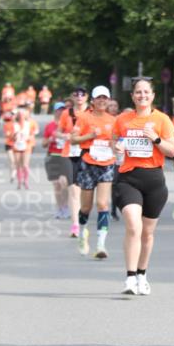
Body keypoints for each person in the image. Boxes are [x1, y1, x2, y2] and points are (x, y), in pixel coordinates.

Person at [112, 78, 174, 294]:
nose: (142, 96)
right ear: (132, 96)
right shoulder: (123, 119)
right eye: (138, 92)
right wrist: (118, 149)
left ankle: (142, 274)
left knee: (147, 233)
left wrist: (156, 139)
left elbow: (173, 151)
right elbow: (115, 143)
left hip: (154, 181)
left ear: (152, 95)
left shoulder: (162, 120)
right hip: (128, 178)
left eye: (145, 92)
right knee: (133, 225)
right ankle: (130, 278)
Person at [70, 85, 117, 258]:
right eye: (99, 98)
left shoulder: (113, 120)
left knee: (103, 204)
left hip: (107, 164)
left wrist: (117, 147)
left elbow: (116, 142)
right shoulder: (83, 118)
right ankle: (83, 233)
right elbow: (73, 139)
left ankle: (101, 245)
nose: (102, 100)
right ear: (93, 101)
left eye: (105, 98)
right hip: (88, 163)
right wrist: (90, 136)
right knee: (86, 207)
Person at [58, 86, 90, 238]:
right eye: (76, 94)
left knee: (86, 191)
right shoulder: (66, 113)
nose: (79, 97)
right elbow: (58, 131)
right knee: (73, 190)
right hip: (69, 153)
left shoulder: (92, 113)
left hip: (87, 153)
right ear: (72, 97)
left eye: (82, 94)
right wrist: (63, 135)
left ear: (87, 97)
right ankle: (75, 224)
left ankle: (83, 216)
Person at [42, 102, 72, 218]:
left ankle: (65, 206)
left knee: (64, 182)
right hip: (53, 156)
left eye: (63, 109)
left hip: (65, 156)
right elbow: (43, 144)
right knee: (56, 184)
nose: (61, 112)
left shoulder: (68, 125)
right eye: (59, 109)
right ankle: (59, 208)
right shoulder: (49, 126)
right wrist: (50, 139)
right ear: (55, 111)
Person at [12, 106, 37, 190]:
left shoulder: (29, 124)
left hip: (27, 145)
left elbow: (33, 134)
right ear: (18, 116)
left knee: (25, 165)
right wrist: (15, 135)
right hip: (17, 146)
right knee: (18, 165)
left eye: (23, 115)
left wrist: (30, 138)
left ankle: (25, 181)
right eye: (20, 115)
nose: (22, 117)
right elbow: (11, 137)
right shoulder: (14, 124)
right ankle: (19, 182)